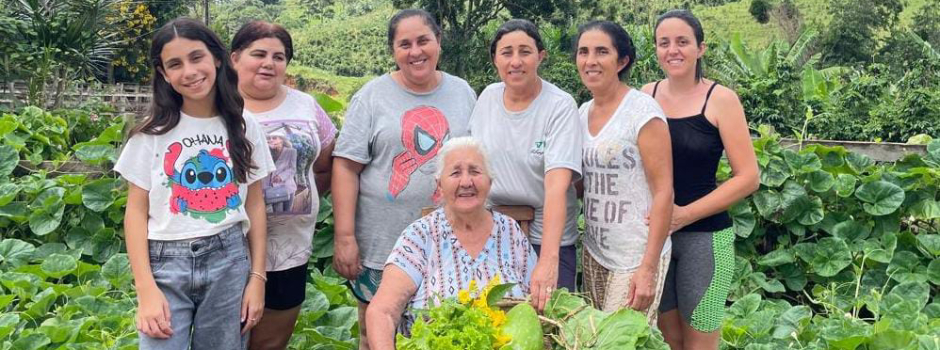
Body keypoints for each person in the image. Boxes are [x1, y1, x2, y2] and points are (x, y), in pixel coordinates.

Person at [115, 18, 275, 349]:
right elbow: (135, 212)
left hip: (229, 260)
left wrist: (257, 279)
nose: (189, 71)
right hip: (164, 264)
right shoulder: (151, 135)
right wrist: (145, 289)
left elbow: (255, 204)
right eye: (175, 64)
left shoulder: (245, 127)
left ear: (216, 58)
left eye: (196, 57)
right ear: (163, 73)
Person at [331, 9, 476, 349]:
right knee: (376, 331)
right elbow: (345, 166)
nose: (415, 52)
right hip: (382, 242)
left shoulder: (464, 92)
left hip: (449, 243)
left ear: (439, 42)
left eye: (423, 41)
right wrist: (345, 236)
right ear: (393, 51)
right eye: (404, 44)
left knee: (442, 333)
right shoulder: (371, 96)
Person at [640, 9, 760, 350]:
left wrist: (683, 215)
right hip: (655, 240)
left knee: (699, 344)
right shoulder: (645, 96)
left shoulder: (721, 99)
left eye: (682, 42)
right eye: (664, 43)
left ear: (700, 49)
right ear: (656, 50)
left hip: (705, 240)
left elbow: (749, 177)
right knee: (668, 340)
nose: (673, 50)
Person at [365, 136, 538, 349]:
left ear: (490, 182)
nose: (466, 182)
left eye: (475, 171)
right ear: (439, 185)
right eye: (455, 173)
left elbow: (538, 303)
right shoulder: (420, 236)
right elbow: (382, 312)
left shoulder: (511, 232)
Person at [230, 20, 339, 350]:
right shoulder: (216, 107)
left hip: (289, 250)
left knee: (271, 343)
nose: (269, 63)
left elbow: (325, 165)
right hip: (229, 250)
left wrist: (298, 201)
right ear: (235, 58)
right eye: (258, 54)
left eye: (279, 57)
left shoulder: (306, 105)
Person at [469, 19, 582, 311]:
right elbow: (473, 161)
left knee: (548, 326)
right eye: (506, 52)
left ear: (541, 56)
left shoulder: (559, 106)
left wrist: (547, 261)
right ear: (494, 58)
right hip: (493, 238)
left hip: (545, 239)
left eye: (525, 52)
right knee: (496, 327)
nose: (515, 61)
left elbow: (557, 187)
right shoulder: (487, 98)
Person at [574, 20, 674, 326]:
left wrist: (648, 268)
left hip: (635, 254)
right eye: (583, 52)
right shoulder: (580, 113)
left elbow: (664, 191)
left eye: (602, 52)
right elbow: (581, 184)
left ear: (622, 61)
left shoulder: (642, 112)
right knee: (593, 338)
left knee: (620, 339)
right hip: (595, 251)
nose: (590, 61)